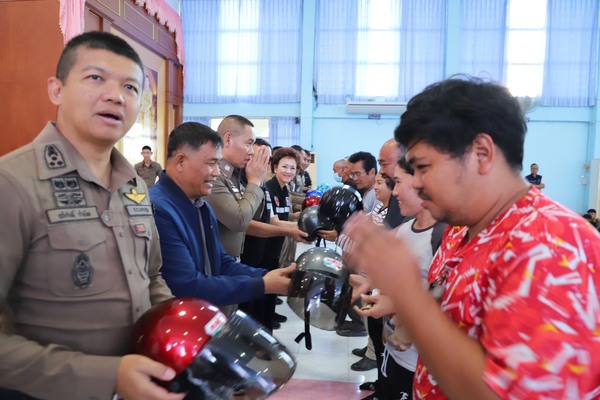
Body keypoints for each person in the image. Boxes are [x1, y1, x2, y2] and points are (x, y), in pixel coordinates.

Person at [343, 76, 600, 399]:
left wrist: (407, 293)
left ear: (481, 153)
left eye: (424, 167)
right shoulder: (462, 230)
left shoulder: (552, 246)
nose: (416, 183)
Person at [0, 31, 181, 400]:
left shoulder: (135, 185)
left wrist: (180, 334)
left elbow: (151, 277)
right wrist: (107, 376)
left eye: (130, 87)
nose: (116, 96)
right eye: (95, 78)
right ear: (56, 90)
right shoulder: (12, 183)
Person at [149, 122, 295, 308]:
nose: (217, 173)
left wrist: (266, 276)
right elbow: (187, 285)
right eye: (211, 164)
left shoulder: (201, 205)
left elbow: (220, 261)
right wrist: (263, 285)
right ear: (181, 162)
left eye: (218, 164)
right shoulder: (158, 209)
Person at [355, 157, 446, 400]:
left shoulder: (443, 237)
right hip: (393, 351)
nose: (394, 192)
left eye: (397, 182)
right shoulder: (406, 228)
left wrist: (394, 304)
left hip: (418, 362)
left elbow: (446, 303)